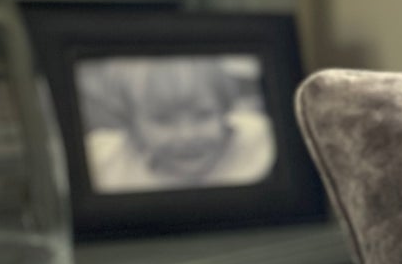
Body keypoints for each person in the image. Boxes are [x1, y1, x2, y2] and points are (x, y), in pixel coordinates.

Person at [80, 56, 276, 193]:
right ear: (132, 126)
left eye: (203, 115)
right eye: (163, 120)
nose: (187, 136)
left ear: (224, 110)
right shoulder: (103, 164)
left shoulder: (264, 143)